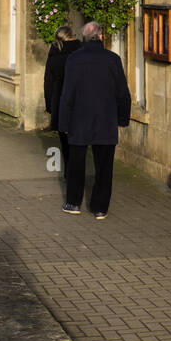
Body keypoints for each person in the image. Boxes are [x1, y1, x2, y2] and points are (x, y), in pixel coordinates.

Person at [58, 21, 131, 219]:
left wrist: (63, 123)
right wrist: (123, 118)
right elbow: (122, 93)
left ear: (84, 37)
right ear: (101, 36)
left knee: (76, 164)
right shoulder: (113, 59)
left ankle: (73, 203)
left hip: (79, 120)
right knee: (104, 166)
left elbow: (67, 94)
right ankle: (100, 208)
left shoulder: (74, 59)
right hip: (106, 119)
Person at [44, 24, 81, 178]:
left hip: (60, 103)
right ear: (72, 35)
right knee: (79, 143)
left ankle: (69, 173)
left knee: (65, 144)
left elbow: (48, 83)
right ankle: (78, 172)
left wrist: (50, 106)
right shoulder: (81, 52)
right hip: (79, 103)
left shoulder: (54, 56)